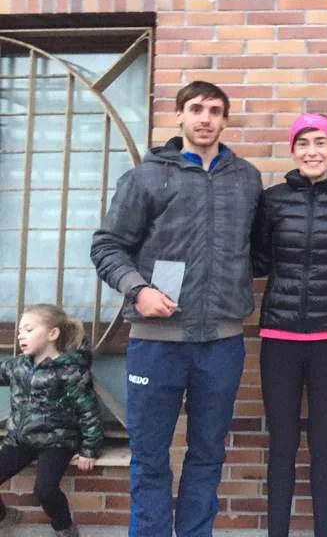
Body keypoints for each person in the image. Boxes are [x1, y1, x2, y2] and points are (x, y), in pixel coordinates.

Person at [90, 81, 262, 537]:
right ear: (180, 115)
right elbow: (107, 247)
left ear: (225, 119)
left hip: (221, 345)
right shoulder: (147, 177)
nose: (205, 118)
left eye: (215, 111)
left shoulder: (246, 179)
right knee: (150, 457)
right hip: (155, 345)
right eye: (196, 109)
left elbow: (257, 250)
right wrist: (138, 290)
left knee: (207, 455)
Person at [253, 114, 327, 537]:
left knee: (323, 445)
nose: (312, 151)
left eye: (320, 143)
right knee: (282, 445)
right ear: (293, 150)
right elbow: (259, 259)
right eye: (303, 143)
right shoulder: (273, 200)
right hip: (279, 337)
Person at [0, 304, 103, 537]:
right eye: (19, 331)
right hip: (21, 439)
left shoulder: (69, 370)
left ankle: (65, 528)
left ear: (53, 334)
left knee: (45, 491)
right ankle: (5, 517)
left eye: (28, 330)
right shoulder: (17, 366)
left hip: (57, 441)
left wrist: (89, 449)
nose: (21, 336)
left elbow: (88, 409)